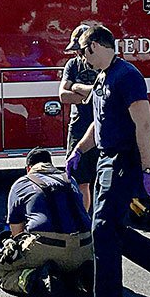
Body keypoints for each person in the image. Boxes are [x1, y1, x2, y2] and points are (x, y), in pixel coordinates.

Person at [66, 24, 150, 297]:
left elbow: (144, 126)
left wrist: (148, 169)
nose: (81, 58)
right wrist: (79, 151)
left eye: (82, 51)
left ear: (95, 46)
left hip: (124, 160)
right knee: (112, 230)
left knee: (103, 230)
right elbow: (98, 123)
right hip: (105, 159)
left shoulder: (128, 77)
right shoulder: (102, 77)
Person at [0, 148, 94, 297]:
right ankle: (80, 276)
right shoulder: (70, 180)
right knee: (68, 261)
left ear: (28, 168)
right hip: (85, 246)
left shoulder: (22, 183)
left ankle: (37, 281)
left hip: (45, 245)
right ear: (50, 165)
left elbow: (17, 233)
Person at [59, 24, 99, 211]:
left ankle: (100, 223)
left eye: (80, 50)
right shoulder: (72, 65)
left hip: (102, 127)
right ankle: (83, 221)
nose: (78, 55)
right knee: (79, 180)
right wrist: (87, 99)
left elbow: (101, 92)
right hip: (78, 127)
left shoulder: (104, 64)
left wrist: (76, 87)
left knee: (102, 180)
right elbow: (62, 95)